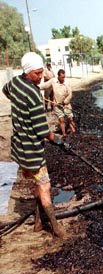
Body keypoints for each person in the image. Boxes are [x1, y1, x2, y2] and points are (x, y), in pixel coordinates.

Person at [2, 52, 68, 239]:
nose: (40, 77)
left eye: (41, 73)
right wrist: (57, 139)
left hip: (19, 148)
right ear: (27, 71)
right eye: (36, 74)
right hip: (32, 150)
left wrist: (19, 105)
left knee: (38, 184)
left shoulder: (15, 83)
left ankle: (38, 223)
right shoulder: (33, 94)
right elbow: (41, 130)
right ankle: (56, 228)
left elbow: (5, 91)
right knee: (45, 186)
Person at [40, 69, 76, 138]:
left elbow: (70, 94)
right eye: (62, 77)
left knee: (70, 118)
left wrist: (64, 102)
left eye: (64, 77)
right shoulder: (53, 81)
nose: (63, 79)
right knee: (61, 120)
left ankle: (74, 132)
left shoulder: (67, 83)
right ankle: (64, 134)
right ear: (58, 76)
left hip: (66, 104)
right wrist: (37, 87)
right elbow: (45, 85)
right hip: (57, 104)